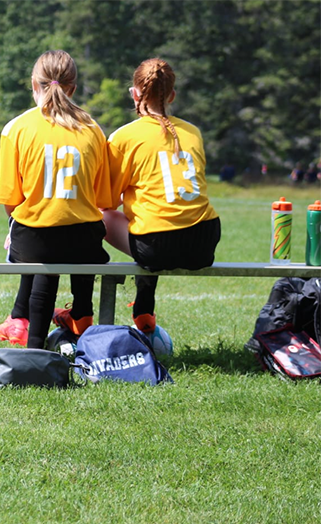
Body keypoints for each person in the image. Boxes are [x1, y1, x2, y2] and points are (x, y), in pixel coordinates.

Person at [0, 50, 113, 349]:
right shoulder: (93, 129)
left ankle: (31, 337)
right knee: (80, 232)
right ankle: (82, 315)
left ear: (34, 84)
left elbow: (11, 200)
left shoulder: (16, 128)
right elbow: (102, 199)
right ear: (72, 87)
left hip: (34, 241)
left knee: (40, 243)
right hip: (84, 244)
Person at [103, 57, 221, 334]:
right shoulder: (193, 131)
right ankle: (145, 305)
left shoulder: (123, 137)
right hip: (204, 241)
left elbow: (105, 202)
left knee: (103, 217)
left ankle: (90, 307)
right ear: (172, 95)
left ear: (134, 93)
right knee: (152, 215)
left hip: (157, 246)